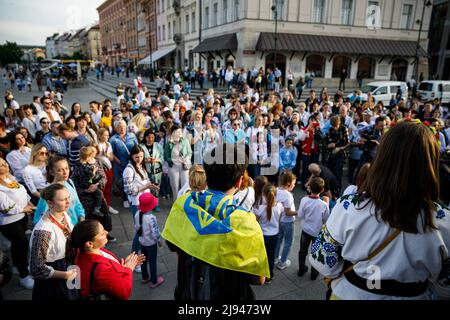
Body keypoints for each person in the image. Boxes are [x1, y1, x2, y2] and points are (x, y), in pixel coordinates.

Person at [309, 121, 450, 300]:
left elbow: (322, 262)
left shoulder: (351, 205)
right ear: (431, 162)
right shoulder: (444, 221)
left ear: (383, 157)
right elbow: (444, 288)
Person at [162, 144, 268, 300]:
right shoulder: (247, 223)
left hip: (188, 291)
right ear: (239, 182)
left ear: (206, 176)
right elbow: (259, 279)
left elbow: (173, 246)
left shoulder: (182, 204)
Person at [67, 219, 145, 300]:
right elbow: (124, 293)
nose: (106, 232)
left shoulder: (85, 250)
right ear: (90, 244)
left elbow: (109, 265)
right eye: (102, 234)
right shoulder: (102, 270)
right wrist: (129, 269)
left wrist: (124, 264)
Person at [29, 184, 79, 300]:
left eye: (68, 197)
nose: (68, 202)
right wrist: (65, 275)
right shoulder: (43, 231)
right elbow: (36, 269)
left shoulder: (63, 214)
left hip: (69, 265)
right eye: (62, 199)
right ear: (50, 203)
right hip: (56, 276)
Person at [0, 158, 35, 290]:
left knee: (17, 244)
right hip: (9, 222)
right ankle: (24, 276)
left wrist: (29, 202)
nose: (5, 165)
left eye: (5, 162)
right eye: (1, 165)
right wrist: (23, 209)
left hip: (21, 217)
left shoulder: (10, 177)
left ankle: (17, 265)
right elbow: (5, 207)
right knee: (22, 243)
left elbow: (22, 191)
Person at [123, 145, 160, 258]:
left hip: (145, 202)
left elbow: (145, 180)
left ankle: (140, 256)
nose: (139, 159)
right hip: (137, 204)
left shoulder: (141, 166)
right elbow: (128, 190)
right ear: (132, 156)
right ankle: (133, 257)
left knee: (144, 230)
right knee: (140, 231)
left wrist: (151, 186)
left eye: (141, 156)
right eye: (136, 157)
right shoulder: (129, 170)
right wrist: (145, 187)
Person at [33, 155, 85, 226]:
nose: (65, 172)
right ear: (51, 172)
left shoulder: (70, 182)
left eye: (66, 168)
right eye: (60, 170)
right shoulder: (49, 191)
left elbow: (77, 203)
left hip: (76, 226)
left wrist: (81, 218)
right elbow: (38, 217)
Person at [297, 176, 329, 280]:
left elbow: (300, 215)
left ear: (309, 187)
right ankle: (314, 273)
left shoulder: (304, 200)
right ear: (322, 190)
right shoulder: (324, 204)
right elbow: (326, 220)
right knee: (315, 253)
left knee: (302, 251)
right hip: (317, 232)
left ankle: (301, 269)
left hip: (305, 230)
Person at [253, 183, 285, 283]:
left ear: (263, 194)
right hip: (274, 235)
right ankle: (269, 276)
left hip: (263, 235)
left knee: (261, 256)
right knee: (270, 256)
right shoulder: (279, 206)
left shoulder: (260, 208)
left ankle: (260, 275)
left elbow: (255, 222)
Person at [134, 192, 164, 288]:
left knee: (143, 259)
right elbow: (155, 233)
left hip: (142, 241)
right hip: (151, 244)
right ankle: (154, 281)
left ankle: (145, 277)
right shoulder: (151, 218)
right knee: (152, 261)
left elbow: (136, 227)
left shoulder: (137, 214)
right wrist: (159, 241)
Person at [110, 120, 138, 208]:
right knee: (121, 181)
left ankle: (133, 196)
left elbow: (137, 147)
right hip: (119, 165)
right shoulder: (113, 139)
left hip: (132, 163)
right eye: (119, 126)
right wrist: (117, 160)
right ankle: (125, 198)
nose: (122, 128)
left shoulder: (132, 136)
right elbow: (111, 152)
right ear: (115, 128)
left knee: (133, 179)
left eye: (123, 126)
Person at [71, 147, 106, 218]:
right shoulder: (78, 166)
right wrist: (85, 190)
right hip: (84, 201)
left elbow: (103, 177)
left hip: (98, 198)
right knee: (87, 222)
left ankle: (97, 209)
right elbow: (74, 182)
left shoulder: (97, 162)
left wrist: (97, 184)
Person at [274, 172, 297, 270]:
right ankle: (282, 262)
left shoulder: (276, 190)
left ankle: (275, 258)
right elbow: (288, 212)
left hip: (279, 220)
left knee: (279, 239)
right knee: (288, 241)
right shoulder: (288, 195)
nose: (294, 185)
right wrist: (298, 212)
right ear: (288, 184)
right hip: (287, 221)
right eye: (294, 184)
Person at [164, 125, 192, 198]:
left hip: (184, 165)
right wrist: (174, 160)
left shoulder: (185, 141)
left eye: (180, 131)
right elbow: (166, 157)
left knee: (185, 185)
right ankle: (175, 202)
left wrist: (186, 158)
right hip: (173, 166)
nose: (179, 133)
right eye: (177, 132)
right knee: (175, 186)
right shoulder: (169, 143)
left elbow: (190, 152)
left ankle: (184, 202)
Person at [97, 128, 118, 214]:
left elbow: (112, 157)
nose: (108, 137)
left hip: (108, 168)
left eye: (108, 135)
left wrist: (107, 155)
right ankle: (100, 207)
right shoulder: (96, 145)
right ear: (100, 135)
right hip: (100, 170)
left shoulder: (108, 144)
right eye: (105, 135)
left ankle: (107, 206)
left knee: (108, 188)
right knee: (102, 189)